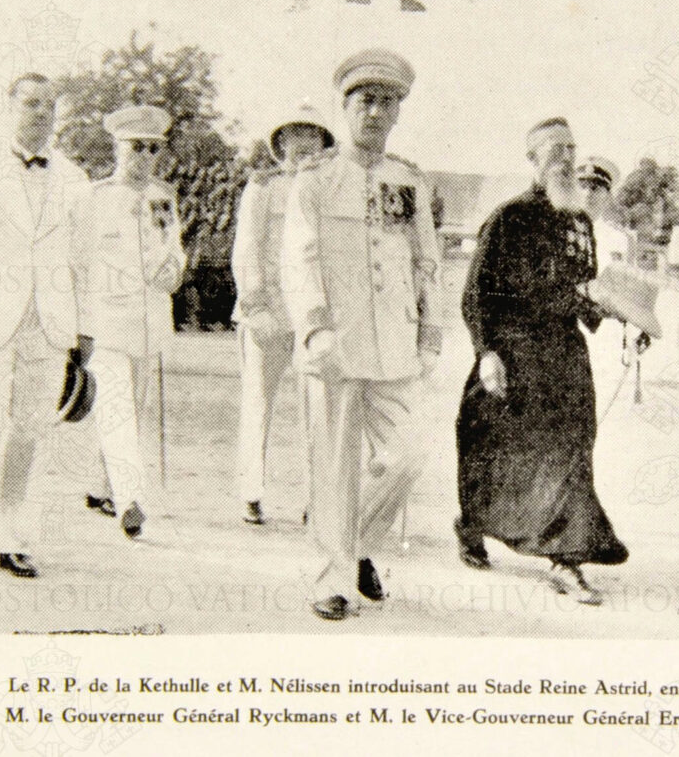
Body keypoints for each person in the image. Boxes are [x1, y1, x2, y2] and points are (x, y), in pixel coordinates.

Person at [282, 49, 442, 620]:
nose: (376, 112)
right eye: (365, 100)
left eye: (387, 102)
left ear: (399, 112)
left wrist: (431, 335)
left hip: (395, 345)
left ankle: (355, 547)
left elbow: (427, 261)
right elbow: (299, 259)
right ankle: (331, 580)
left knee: (409, 455)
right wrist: (315, 330)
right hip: (336, 346)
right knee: (331, 465)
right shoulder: (318, 178)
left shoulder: (408, 181)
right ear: (344, 106)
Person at [454, 117, 628, 605]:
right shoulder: (509, 216)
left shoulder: (578, 222)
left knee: (572, 450)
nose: (566, 159)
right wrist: (485, 352)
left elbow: (584, 291)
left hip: (564, 354)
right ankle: (472, 524)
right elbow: (475, 292)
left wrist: (620, 315)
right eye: (554, 150)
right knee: (497, 448)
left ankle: (566, 561)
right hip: (513, 350)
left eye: (571, 148)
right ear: (532, 159)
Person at [0, 72, 94, 578]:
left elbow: (85, 259)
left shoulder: (74, 179)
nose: (40, 114)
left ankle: (11, 535)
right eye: (30, 104)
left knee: (29, 431)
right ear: (10, 108)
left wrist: (84, 328)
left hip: (49, 322)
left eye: (49, 106)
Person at [232, 102, 335, 526]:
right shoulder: (263, 187)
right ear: (280, 143)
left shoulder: (331, 189)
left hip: (312, 318)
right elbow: (247, 249)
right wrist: (256, 308)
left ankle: (318, 497)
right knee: (258, 403)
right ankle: (251, 492)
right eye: (294, 135)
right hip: (269, 311)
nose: (303, 144)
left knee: (318, 409)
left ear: (324, 143)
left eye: (313, 135)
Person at [86, 105, 186, 540]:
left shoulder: (163, 196)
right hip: (106, 319)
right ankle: (130, 499)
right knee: (117, 406)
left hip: (148, 320)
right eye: (135, 148)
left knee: (134, 408)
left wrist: (175, 270)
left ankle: (100, 486)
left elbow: (174, 246)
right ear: (117, 148)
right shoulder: (96, 196)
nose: (144, 157)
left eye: (151, 149)